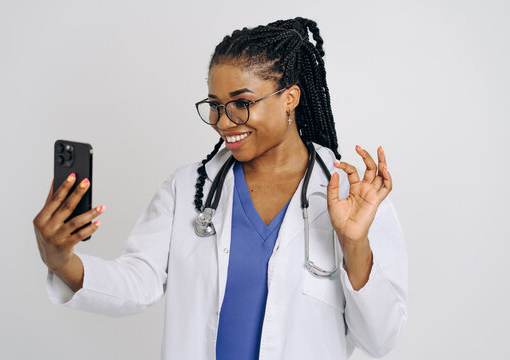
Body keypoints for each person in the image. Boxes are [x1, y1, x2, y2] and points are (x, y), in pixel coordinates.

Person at [33, 17, 407, 360]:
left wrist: (354, 245)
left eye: (241, 104)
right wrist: (61, 261)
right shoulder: (188, 188)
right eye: (215, 105)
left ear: (289, 98)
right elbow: (138, 282)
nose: (223, 122)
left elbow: (380, 339)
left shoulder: (351, 199)